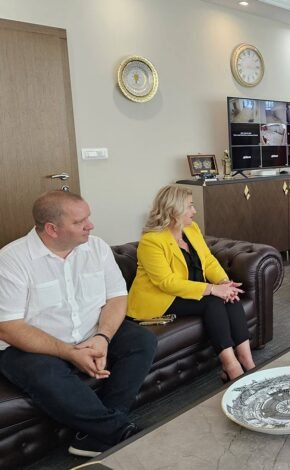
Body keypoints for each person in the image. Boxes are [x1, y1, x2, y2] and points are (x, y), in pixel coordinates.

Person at [0, 191, 157, 457]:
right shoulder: (11, 260)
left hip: (90, 332)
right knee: (45, 373)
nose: (90, 225)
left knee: (142, 340)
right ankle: (120, 433)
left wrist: (102, 337)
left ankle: (95, 436)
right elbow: (8, 326)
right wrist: (68, 352)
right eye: (79, 221)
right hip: (31, 346)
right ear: (52, 229)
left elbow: (117, 297)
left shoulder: (96, 247)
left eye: (88, 217)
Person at [127, 185, 253, 381]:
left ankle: (247, 360)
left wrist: (224, 282)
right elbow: (167, 282)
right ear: (173, 210)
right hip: (163, 298)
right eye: (189, 206)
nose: (194, 211)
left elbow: (208, 260)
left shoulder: (191, 229)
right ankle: (231, 366)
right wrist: (212, 289)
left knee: (230, 296)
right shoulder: (151, 241)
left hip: (190, 290)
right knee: (213, 302)